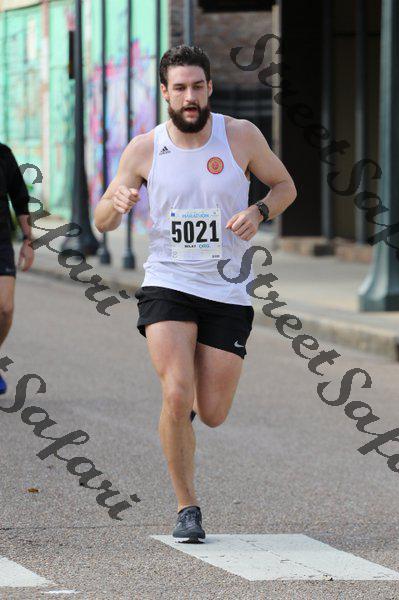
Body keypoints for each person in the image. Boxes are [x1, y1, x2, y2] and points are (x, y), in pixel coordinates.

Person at [94, 45, 296, 542]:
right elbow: (102, 220)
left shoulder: (240, 135)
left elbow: (284, 186)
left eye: (198, 87)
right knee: (176, 390)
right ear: (165, 93)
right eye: (180, 88)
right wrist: (116, 202)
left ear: (210, 88)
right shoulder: (144, 148)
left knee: (213, 412)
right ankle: (187, 507)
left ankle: (180, 415)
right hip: (169, 281)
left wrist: (259, 212)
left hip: (227, 288)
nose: (190, 97)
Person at [0, 144, 34, 394]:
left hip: (1, 243)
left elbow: (20, 198)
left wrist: (28, 240)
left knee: (5, 308)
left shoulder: (3, 155)